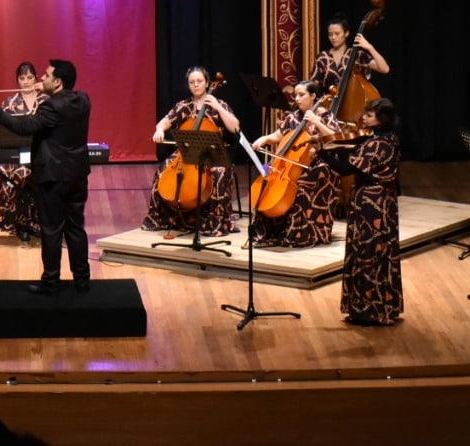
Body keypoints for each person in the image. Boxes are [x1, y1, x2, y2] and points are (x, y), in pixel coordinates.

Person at [0, 59, 91, 295]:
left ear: (57, 82)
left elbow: (24, 126)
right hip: (78, 175)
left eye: (46, 77)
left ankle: (51, 283)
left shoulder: (51, 108)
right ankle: (82, 281)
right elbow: (61, 102)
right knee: (76, 228)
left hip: (54, 178)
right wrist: (47, 91)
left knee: (51, 230)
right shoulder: (83, 100)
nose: (40, 80)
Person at [322, 97, 403, 326]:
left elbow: (345, 169)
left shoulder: (375, 144)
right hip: (384, 202)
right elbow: (360, 155)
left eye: (369, 115)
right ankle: (385, 306)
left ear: (382, 118)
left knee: (367, 254)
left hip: (370, 204)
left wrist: (322, 152)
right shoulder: (389, 138)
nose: (363, 118)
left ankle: (368, 311)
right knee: (382, 253)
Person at [141, 66, 241, 236]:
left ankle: (215, 222)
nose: (196, 85)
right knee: (162, 170)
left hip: (212, 155)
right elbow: (164, 122)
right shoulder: (183, 106)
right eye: (192, 82)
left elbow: (235, 127)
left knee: (219, 172)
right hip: (186, 153)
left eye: (199, 81)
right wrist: (159, 131)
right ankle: (165, 218)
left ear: (207, 83)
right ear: (188, 85)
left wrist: (218, 107)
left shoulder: (220, 104)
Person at [248, 80, 342, 248]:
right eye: (295, 95)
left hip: (322, 163)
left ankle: (299, 234)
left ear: (313, 96)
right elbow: (277, 136)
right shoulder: (293, 116)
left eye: (301, 95)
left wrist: (317, 122)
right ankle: (270, 233)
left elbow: (336, 139)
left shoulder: (325, 115)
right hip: (295, 163)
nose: (296, 99)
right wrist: (264, 139)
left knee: (302, 186)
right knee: (266, 182)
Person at [0, 61, 46, 238]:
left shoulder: (46, 101)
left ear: (36, 78)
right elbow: (3, 135)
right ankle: (21, 222)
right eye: (22, 78)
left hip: (42, 153)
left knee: (42, 170)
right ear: (17, 80)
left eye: (30, 77)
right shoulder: (9, 102)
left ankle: (39, 221)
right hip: (17, 154)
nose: (26, 81)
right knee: (18, 171)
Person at [309, 12, 390, 95]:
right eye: (330, 34)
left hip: (354, 101)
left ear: (346, 33)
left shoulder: (358, 55)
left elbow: (384, 69)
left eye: (337, 34)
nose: (333, 37)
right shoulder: (322, 57)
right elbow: (313, 85)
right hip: (330, 105)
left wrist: (370, 47)